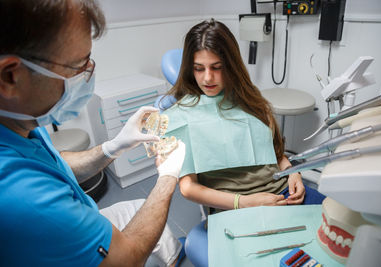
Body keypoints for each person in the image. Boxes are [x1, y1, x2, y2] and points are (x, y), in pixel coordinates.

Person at [0, 1, 186, 266]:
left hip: (78, 215)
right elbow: (125, 260)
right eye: (78, 66)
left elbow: (56, 166)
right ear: (10, 77)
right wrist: (168, 178)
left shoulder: (18, 122)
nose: (88, 75)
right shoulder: (18, 194)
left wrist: (114, 147)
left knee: (137, 209)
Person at [161, 19, 326, 266]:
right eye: (199, 68)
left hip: (284, 194)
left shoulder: (251, 99)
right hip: (238, 207)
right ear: (189, 68)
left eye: (217, 67)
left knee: (341, 231)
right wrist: (246, 202)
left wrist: (294, 175)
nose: (208, 77)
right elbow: (188, 188)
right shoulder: (181, 116)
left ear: (231, 65)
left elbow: (276, 153)